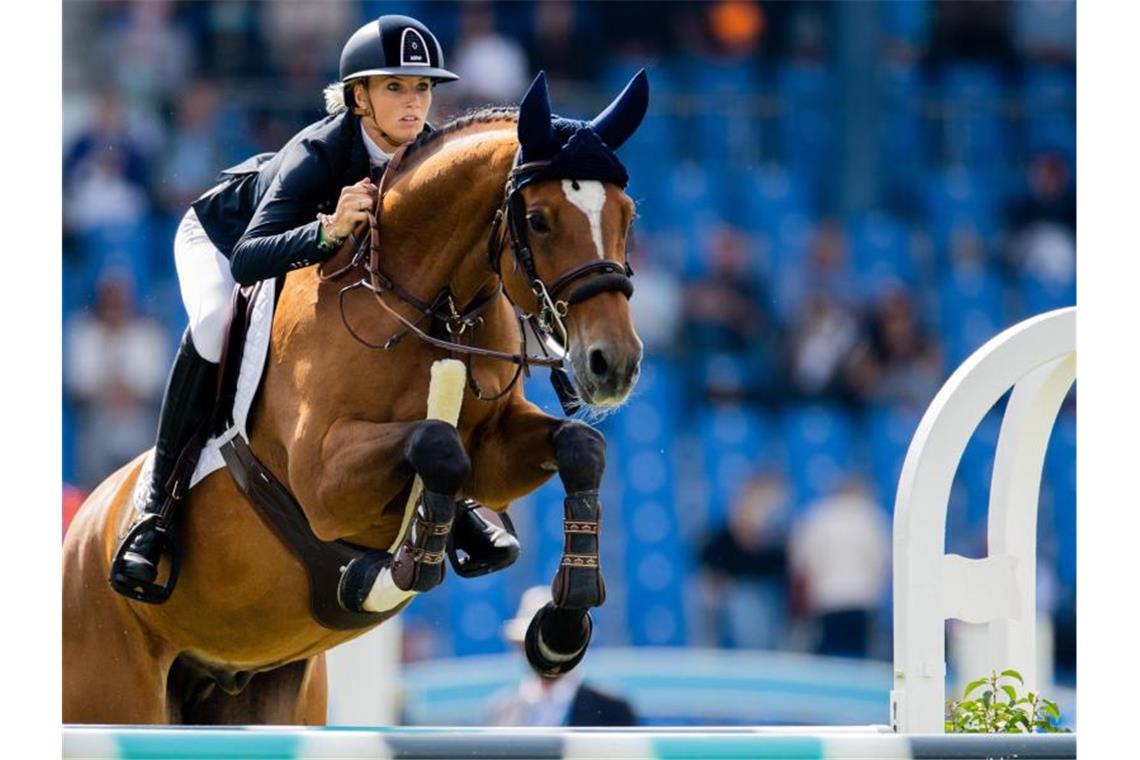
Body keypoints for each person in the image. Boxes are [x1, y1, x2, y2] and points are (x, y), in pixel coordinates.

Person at [110, 15, 520, 601]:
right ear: (359, 97)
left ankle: (460, 504)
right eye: (395, 87)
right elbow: (251, 257)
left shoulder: (427, 156)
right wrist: (326, 232)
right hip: (224, 238)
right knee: (211, 324)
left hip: (310, 264)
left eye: (423, 88)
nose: (413, 104)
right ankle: (157, 511)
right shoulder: (320, 151)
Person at [487, 586, 638, 727]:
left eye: (554, 643)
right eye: (534, 644)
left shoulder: (612, 709)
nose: (544, 653)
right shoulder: (502, 709)